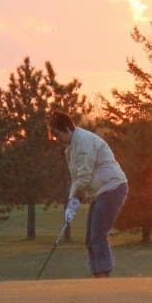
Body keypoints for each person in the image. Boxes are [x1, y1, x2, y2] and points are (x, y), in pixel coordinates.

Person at [49, 109, 129, 278]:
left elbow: (84, 176)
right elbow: (76, 178)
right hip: (101, 191)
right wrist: (72, 202)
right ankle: (97, 275)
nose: (57, 139)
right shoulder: (70, 149)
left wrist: (75, 201)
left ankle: (103, 276)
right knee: (90, 237)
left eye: (58, 134)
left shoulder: (83, 141)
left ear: (67, 129)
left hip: (113, 187)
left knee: (98, 234)